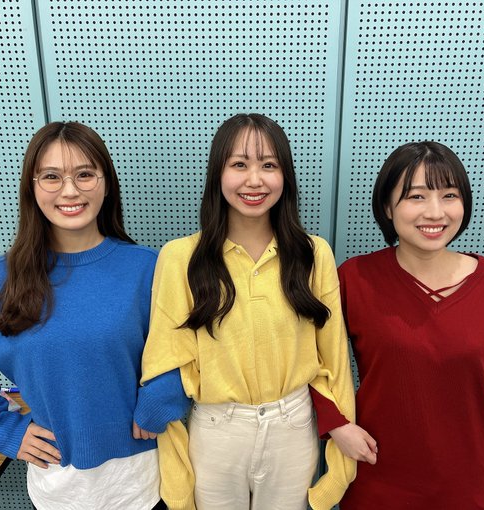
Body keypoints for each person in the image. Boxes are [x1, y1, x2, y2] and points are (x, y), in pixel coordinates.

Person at [0, 121, 188, 510]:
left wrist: (162, 400)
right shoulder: (0, 280)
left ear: (105, 183)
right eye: (51, 177)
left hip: (145, 480)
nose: (70, 190)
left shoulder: (150, 269)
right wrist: (4, 428)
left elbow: (186, 347)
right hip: (55, 486)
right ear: (32, 187)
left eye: (85, 174)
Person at [135, 113, 357, 510]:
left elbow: (335, 360)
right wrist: (178, 491)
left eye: (268, 165)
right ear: (218, 175)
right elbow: (164, 361)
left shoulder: (313, 254)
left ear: (285, 176)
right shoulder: (180, 257)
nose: (254, 180)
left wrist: (341, 463)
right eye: (239, 164)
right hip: (217, 428)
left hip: (294, 425)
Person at [311, 141, 484, 509]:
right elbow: (311, 356)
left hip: (467, 476)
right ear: (387, 206)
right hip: (375, 466)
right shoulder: (354, 279)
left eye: (449, 195)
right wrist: (336, 424)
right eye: (416, 196)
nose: (435, 211)